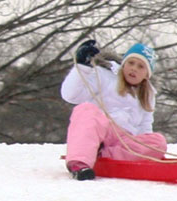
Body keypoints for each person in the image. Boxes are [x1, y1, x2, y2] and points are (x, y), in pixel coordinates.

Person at [61, 39, 164, 179]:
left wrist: (150, 151)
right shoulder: (103, 75)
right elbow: (70, 96)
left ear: (147, 74)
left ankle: (101, 154)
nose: (134, 68)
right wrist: (82, 68)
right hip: (100, 132)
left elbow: (145, 126)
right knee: (85, 109)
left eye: (141, 66)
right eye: (131, 63)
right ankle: (79, 162)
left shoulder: (148, 94)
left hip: (123, 141)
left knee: (158, 141)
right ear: (124, 64)